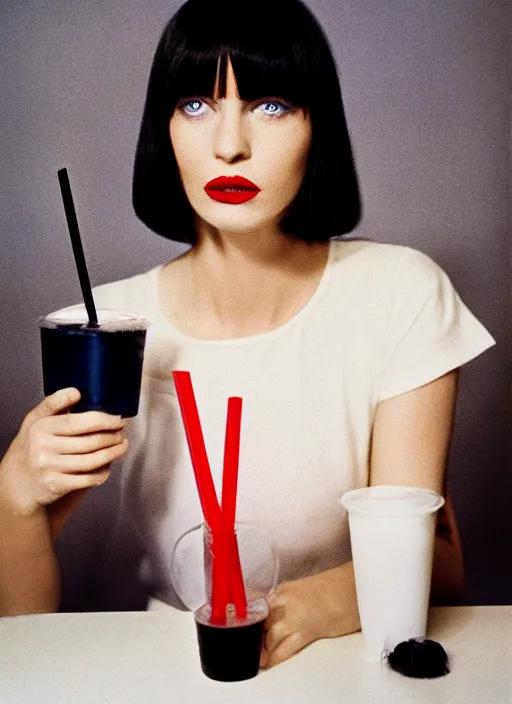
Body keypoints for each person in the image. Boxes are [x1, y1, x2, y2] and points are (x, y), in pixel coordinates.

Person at [0, 0, 495, 669]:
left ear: (319, 126)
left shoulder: (400, 293)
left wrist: (323, 602)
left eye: (269, 105)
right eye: (197, 106)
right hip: (172, 665)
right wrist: (14, 492)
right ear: (163, 130)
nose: (230, 145)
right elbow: (22, 636)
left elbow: (432, 558)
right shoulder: (104, 330)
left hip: (351, 664)